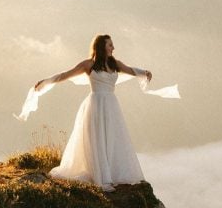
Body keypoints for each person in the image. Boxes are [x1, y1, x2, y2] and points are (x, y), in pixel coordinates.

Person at [34, 34, 151, 191]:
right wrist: (46, 81)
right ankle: (101, 174)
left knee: (112, 136)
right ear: (101, 46)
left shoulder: (114, 63)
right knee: (97, 138)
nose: (113, 48)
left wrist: (144, 72)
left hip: (111, 105)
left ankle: (111, 172)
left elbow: (131, 70)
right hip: (95, 104)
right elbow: (65, 75)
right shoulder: (88, 64)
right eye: (110, 45)